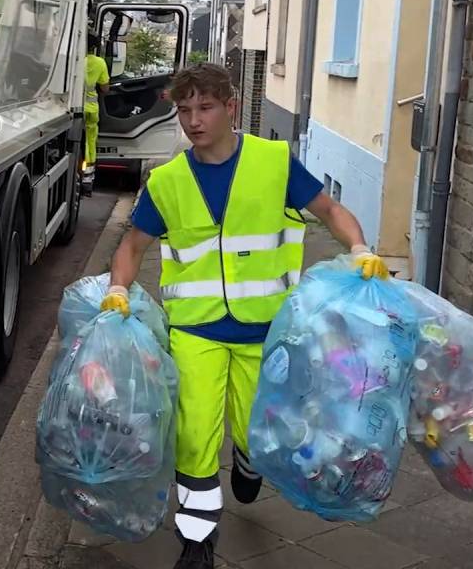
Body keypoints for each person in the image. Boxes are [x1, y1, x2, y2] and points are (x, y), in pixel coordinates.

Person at [99, 63, 388, 569]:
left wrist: (361, 248)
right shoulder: (167, 182)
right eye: (184, 109)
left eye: (205, 107)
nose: (193, 120)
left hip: (266, 329)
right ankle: (197, 540)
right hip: (195, 330)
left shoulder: (274, 162)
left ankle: (250, 465)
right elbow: (133, 245)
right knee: (194, 436)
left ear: (231, 107)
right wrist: (118, 290)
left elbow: (329, 211)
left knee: (256, 429)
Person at [83, 34, 110, 193]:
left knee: (82, 141)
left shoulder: (75, 60)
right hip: (92, 109)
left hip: (74, 108)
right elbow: (105, 88)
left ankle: (82, 170)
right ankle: (88, 177)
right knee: (91, 140)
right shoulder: (99, 62)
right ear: (94, 47)